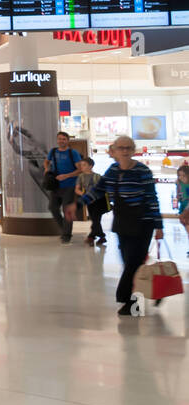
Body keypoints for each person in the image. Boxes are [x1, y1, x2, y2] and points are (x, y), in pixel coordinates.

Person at [69, 136, 162, 315]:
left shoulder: (143, 171)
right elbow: (97, 191)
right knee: (129, 262)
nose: (125, 151)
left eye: (128, 148)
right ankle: (135, 304)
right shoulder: (112, 171)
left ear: (133, 150)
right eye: (121, 148)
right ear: (115, 151)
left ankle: (126, 298)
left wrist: (158, 226)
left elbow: (152, 199)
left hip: (143, 224)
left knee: (134, 262)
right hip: (122, 224)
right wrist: (78, 205)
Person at [46, 131, 83, 244]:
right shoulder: (53, 151)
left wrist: (66, 176)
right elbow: (46, 162)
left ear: (67, 140)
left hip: (70, 186)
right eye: (59, 139)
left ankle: (66, 235)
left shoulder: (73, 153)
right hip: (56, 186)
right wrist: (46, 169)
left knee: (67, 210)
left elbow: (80, 169)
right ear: (57, 140)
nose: (61, 141)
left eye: (64, 139)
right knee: (52, 207)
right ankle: (64, 229)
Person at [74, 157, 106, 246]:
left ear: (91, 166)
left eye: (84, 165)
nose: (82, 167)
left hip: (98, 201)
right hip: (88, 201)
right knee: (95, 219)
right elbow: (77, 189)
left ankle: (92, 237)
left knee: (96, 219)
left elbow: (102, 190)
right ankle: (101, 237)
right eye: (81, 165)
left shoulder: (98, 176)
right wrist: (84, 196)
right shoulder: (81, 176)